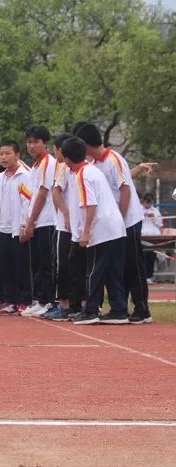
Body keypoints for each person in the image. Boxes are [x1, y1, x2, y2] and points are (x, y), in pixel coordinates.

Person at [74, 122, 150, 324]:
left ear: (86, 145)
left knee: (133, 265)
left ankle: (142, 309)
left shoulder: (113, 159)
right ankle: (120, 308)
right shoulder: (94, 164)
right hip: (114, 225)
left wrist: (121, 218)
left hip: (128, 220)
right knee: (118, 267)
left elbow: (124, 188)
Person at [61, 137, 128, 325]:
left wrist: (86, 232)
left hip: (102, 230)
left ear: (66, 159)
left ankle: (91, 310)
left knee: (94, 271)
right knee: (112, 271)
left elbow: (90, 204)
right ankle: (119, 309)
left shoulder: (83, 174)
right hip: (115, 228)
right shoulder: (92, 170)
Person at [0, 140, 33, 316]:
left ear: (17, 155)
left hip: (17, 229)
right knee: (5, 265)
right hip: (3, 228)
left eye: (8, 153)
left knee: (21, 265)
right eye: (1, 154)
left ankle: (24, 300)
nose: (4, 157)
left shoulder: (25, 175)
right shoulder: (0, 178)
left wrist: (24, 225)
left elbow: (28, 202)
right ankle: (9, 300)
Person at [21, 125, 57, 318]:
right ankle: (42, 299)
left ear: (45, 143)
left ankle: (50, 300)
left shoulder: (48, 163)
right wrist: (29, 221)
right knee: (38, 263)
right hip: (37, 221)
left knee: (47, 263)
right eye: (29, 142)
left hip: (47, 220)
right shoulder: (35, 166)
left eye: (36, 142)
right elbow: (32, 197)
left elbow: (43, 195)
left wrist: (31, 222)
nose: (31, 146)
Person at [42, 133, 76, 321]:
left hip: (66, 226)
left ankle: (66, 305)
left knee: (63, 266)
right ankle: (67, 304)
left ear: (60, 150)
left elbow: (56, 193)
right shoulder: (66, 168)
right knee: (66, 265)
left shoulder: (64, 167)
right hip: (66, 223)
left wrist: (65, 214)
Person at [141, 193, 162, 284]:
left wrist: (153, 217)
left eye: (150, 202)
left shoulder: (156, 211)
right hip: (142, 236)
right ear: (143, 201)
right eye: (146, 202)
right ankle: (143, 277)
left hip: (153, 237)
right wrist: (143, 216)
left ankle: (150, 276)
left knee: (151, 257)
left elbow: (160, 224)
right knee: (143, 257)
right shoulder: (139, 209)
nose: (148, 204)